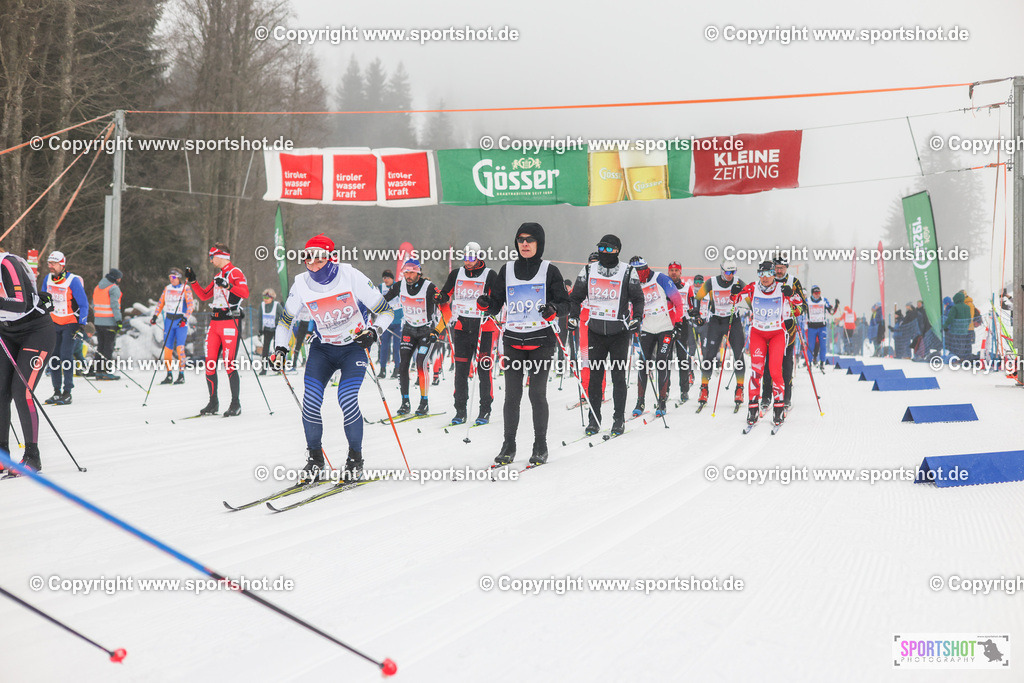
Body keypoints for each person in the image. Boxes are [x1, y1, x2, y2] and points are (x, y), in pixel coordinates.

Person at [270, 234, 395, 482]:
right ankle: (315, 460)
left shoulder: (351, 276)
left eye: (319, 259)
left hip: (353, 349)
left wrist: (373, 332)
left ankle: (354, 460)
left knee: (346, 398)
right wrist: (281, 349)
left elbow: (386, 312)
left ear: (330, 258)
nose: (313, 264)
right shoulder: (301, 284)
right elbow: (285, 322)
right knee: (311, 401)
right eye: (308, 259)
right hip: (323, 349)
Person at [479, 222, 569, 465]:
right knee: (512, 395)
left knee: (537, 394)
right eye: (520, 240)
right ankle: (509, 444)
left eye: (530, 239)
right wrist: (487, 303)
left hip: (541, 341)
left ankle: (540, 444)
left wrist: (553, 309)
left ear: (539, 243)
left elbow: (565, 304)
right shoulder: (506, 270)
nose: (525, 244)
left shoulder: (550, 271)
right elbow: (496, 303)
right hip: (513, 341)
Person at [568, 234, 645, 436]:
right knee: (595, 377)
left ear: (618, 250)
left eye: (610, 249)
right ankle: (594, 419)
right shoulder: (588, 270)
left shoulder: (628, 271)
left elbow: (638, 299)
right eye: (602, 248)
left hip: (619, 332)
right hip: (595, 332)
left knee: (618, 377)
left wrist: (637, 317)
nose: (605, 253)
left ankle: (618, 419)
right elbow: (575, 297)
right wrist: (573, 317)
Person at [0, 250, 57, 474]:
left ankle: (32, 457)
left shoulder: (8, 263)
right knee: (1, 392)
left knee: (21, 391)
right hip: (7, 332)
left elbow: (21, 303)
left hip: (36, 331)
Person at [435, 241, 499, 425]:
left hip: (483, 328)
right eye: (465, 257)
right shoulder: (456, 274)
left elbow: (497, 300)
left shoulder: (490, 275)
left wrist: (489, 306)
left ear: (478, 257)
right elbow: (446, 293)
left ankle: (485, 410)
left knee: (484, 370)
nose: (468, 261)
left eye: (471, 257)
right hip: (462, 327)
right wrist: (440, 297)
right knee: (461, 371)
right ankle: (460, 410)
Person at [736, 261, 802, 429]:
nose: (765, 278)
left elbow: (799, 305)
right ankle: (753, 407)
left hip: (777, 334)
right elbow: (733, 298)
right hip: (758, 333)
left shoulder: (782, 288)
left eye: (768, 274)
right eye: (761, 274)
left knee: (774, 370)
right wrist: (734, 292)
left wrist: (792, 295)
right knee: (757, 371)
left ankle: (779, 407)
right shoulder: (752, 287)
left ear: (774, 274)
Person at [185, 243, 249, 416]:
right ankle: (213, 403)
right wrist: (193, 281)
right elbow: (205, 295)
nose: (210, 259)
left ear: (221, 256)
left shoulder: (235, 272)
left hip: (230, 322)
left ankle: (236, 404)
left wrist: (228, 286)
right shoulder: (218, 276)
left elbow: (244, 292)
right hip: (215, 322)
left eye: (211, 256)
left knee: (229, 364)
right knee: (210, 363)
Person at [382, 258, 446, 416]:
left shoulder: (429, 287)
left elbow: (447, 312)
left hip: (426, 331)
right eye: (405, 272)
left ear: (418, 272)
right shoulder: (399, 285)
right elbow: (383, 301)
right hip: (409, 330)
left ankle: (424, 403)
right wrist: (370, 310)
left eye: (411, 272)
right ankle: (405, 402)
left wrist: (437, 331)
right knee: (403, 366)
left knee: (420, 364)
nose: (408, 275)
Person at [630, 256, 684, 418]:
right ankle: (640, 402)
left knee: (661, 360)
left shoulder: (660, 278)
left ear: (645, 268)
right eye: (635, 272)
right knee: (643, 363)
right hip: (647, 327)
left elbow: (678, 301)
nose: (638, 275)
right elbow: (633, 305)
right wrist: (633, 322)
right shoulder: (633, 283)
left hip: (665, 326)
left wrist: (678, 323)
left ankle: (661, 401)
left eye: (640, 271)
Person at [693, 259, 746, 409]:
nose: (730, 275)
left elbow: (751, 298)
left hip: (733, 321)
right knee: (709, 356)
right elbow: (698, 298)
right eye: (728, 272)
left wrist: (744, 300)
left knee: (739, 355)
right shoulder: (711, 282)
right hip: (716, 321)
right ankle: (704, 388)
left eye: (733, 272)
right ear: (722, 270)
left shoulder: (738, 282)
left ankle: (740, 389)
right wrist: (697, 315)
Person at [41, 251, 89, 405]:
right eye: (49, 263)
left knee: (65, 356)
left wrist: (81, 324)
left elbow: (83, 304)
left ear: (62, 264)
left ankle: (67, 391)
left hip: (70, 324)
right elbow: (43, 298)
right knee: (54, 357)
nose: (50, 266)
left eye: (53, 264)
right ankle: (56, 391)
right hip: (53, 323)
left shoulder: (72, 280)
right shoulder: (48, 279)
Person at [760, 255, 807, 411]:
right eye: (777, 268)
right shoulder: (768, 280)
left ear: (787, 268)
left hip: (788, 327)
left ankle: (786, 397)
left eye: (782, 268)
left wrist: (792, 298)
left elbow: (803, 306)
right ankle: (766, 396)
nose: (779, 271)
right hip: (770, 326)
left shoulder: (793, 282)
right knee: (768, 363)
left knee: (786, 363)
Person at [151, 268, 194, 384]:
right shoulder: (167, 289)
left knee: (180, 348)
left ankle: (181, 374)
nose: (171, 279)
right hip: (169, 320)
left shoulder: (186, 288)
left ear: (179, 277)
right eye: (170, 277)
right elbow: (161, 303)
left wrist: (185, 318)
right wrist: (155, 315)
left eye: (174, 277)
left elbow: (191, 305)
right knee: (167, 349)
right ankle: (169, 374)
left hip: (181, 322)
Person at [666, 262, 697, 401]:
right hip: (666, 323)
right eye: (671, 270)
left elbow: (692, 306)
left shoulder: (687, 288)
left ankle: (684, 390)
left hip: (682, 323)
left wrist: (694, 313)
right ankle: (664, 390)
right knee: (666, 358)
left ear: (680, 272)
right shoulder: (663, 286)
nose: (673, 272)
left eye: (676, 270)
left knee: (682, 358)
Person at [91, 268, 123, 380]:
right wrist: (119, 320)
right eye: (119, 278)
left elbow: (93, 304)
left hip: (98, 321)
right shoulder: (114, 288)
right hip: (110, 322)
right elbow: (115, 305)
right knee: (108, 348)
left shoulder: (97, 287)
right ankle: (107, 372)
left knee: (100, 346)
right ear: (115, 278)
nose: (120, 280)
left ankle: (98, 371)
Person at [805, 285, 838, 370]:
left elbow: (831, 312)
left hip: (822, 326)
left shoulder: (824, 300)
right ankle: (809, 363)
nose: (817, 295)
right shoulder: (807, 301)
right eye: (815, 293)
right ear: (812, 293)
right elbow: (801, 310)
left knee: (823, 346)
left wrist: (836, 306)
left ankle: (822, 362)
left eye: (819, 293)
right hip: (812, 326)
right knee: (811, 346)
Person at [376, 270, 402, 378]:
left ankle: (397, 369)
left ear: (392, 278)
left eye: (387, 277)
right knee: (384, 347)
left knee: (397, 347)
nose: (385, 280)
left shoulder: (398, 286)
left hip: (398, 321)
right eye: (384, 277)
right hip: (385, 322)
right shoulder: (380, 287)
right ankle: (382, 370)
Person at [259, 288, 281, 375]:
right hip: (267, 329)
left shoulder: (276, 305)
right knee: (265, 349)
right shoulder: (262, 305)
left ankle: (278, 368)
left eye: (267, 297)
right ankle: (264, 369)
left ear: (272, 298)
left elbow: (282, 315)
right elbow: (260, 318)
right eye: (264, 297)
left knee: (277, 348)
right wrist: (260, 330)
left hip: (276, 329)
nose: (265, 299)